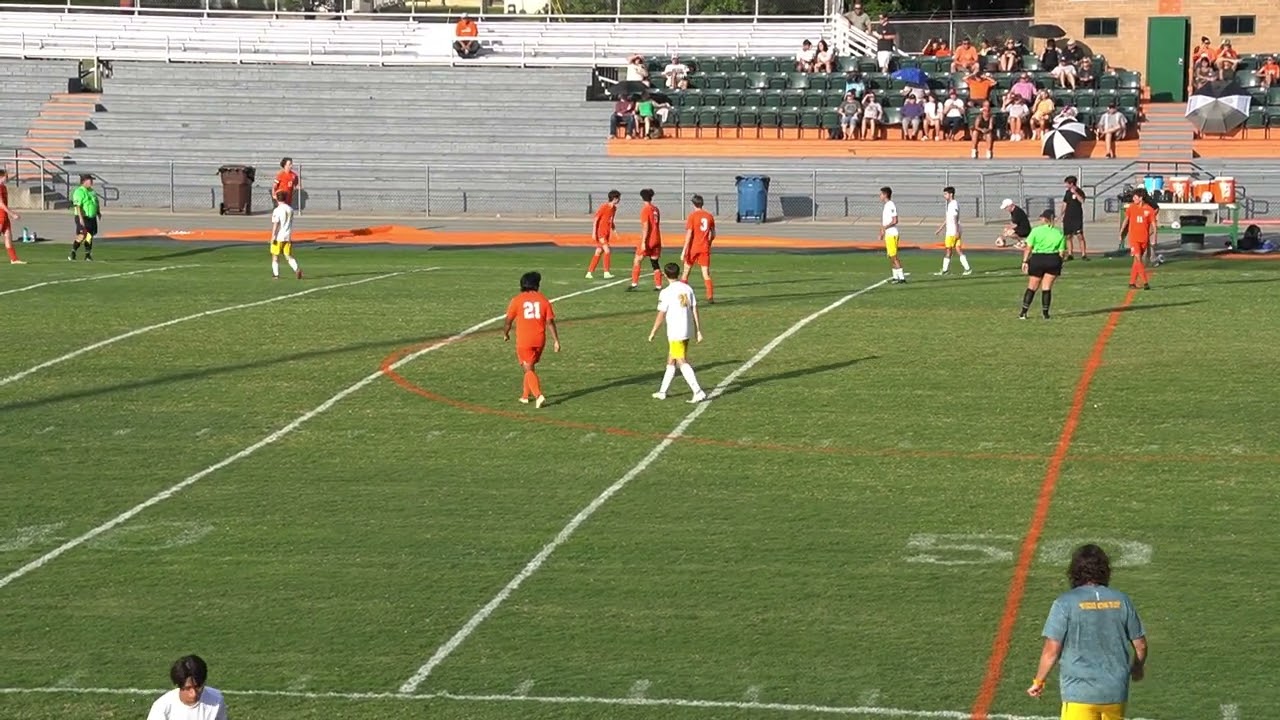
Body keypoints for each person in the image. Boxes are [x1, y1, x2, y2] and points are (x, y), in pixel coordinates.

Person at [1027, 544, 1148, 720]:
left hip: (1079, 692)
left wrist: (1039, 681)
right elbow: (1141, 645)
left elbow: (1051, 651)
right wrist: (1137, 668)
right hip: (1115, 691)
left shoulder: (1065, 603)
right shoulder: (1122, 600)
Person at [648, 262, 705, 403]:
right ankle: (663, 391)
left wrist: (653, 331)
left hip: (675, 330)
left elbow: (661, 314)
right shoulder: (687, 288)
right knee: (671, 359)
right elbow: (694, 309)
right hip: (687, 328)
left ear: (665, 275)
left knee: (680, 360)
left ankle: (697, 391)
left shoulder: (666, 292)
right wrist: (698, 330)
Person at [503, 271, 561, 408]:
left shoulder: (517, 300)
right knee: (529, 366)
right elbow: (550, 322)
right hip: (540, 340)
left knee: (528, 368)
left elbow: (508, 321)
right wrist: (556, 340)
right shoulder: (544, 300)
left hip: (525, 340)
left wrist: (506, 333)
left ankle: (538, 395)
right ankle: (525, 396)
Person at [147, 654, 228, 720]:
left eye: (198, 687)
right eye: (188, 688)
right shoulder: (162, 707)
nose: (194, 694)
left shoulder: (216, 700)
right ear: (178, 685)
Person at [1018, 210, 1065, 320]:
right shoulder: (1059, 233)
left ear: (1044, 219)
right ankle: (1045, 314)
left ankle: (1023, 313)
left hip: (1038, 259)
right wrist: (1060, 262)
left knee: (1032, 286)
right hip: (1053, 259)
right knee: (1047, 287)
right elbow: (1061, 252)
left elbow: (1028, 248)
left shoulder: (1036, 231)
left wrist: (1024, 261)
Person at [680, 194, 716, 302]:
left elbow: (689, 234)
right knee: (706, 274)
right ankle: (710, 296)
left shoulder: (692, 216)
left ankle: (682, 296)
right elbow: (713, 233)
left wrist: (684, 250)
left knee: (686, 272)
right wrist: (708, 243)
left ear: (693, 204)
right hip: (704, 248)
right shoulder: (709, 216)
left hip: (693, 248)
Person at [1119, 188, 1155, 290]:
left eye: (1135, 197)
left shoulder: (1149, 209)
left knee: (1136, 261)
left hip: (1144, 238)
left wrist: (1153, 236)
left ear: (1141, 198)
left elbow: (1154, 225)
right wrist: (1121, 232)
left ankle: (1132, 282)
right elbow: (1126, 220)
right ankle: (1145, 282)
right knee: (1138, 259)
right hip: (1134, 238)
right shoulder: (1131, 207)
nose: (1133, 199)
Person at [629, 188, 664, 292]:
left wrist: (644, 242)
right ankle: (658, 285)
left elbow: (646, 226)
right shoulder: (655, 209)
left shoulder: (645, 210)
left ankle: (634, 284)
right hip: (657, 238)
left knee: (637, 260)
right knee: (654, 262)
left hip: (649, 239)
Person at [933, 186, 971, 276]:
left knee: (948, 250)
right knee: (958, 249)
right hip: (954, 230)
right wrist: (940, 229)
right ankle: (967, 268)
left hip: (952, 231)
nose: (944, 196)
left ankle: (945, 270)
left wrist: (956, 231)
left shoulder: (953, 204)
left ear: (951, 194)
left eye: (945, 194)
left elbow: (955, 218)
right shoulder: (951, 204)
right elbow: (948, 219)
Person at [586, 189, 619, 279]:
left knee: (598, 251)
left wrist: (614, 230)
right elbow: (596, 219)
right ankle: (606, 272)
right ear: (614, 198)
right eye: (618, 198)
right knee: (607, 250)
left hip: (607, 233)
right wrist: (594, 232)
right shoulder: (604, 207)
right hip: (601, 233)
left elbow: (611, 220)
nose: (619, 200)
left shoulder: (614, 208)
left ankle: (589, 272)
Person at [269, 191, 301, 280]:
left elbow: (276, 224)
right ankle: (296, 269)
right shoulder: (290, 209)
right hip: (287, 236)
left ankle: (276, 274)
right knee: (288, 255)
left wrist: (273, 236)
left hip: (279, 236)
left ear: (277, 198)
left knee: (275, 256)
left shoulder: (277, 210)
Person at [880, 186, 906, 284]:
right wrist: (883, 231)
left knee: (894, 256)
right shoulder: (886, 205)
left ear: (885, 194)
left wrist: (885, 228)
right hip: (888, 234)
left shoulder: (891, 205)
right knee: (891, 256)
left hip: (892, 234)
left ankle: (901, 278)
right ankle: (895, 277)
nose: (880, 196)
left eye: (881, 194)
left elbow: (895, 220)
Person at [69, 174, 99, 261]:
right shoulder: (79, 191)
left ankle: (87, 255)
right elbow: (78, 206)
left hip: (91, 217)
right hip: (83, 217)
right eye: (90, 180)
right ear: (84, 181)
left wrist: (98, 212)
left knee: (89, 236)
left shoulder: (92, 191)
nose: (92, 182)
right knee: (82, 235)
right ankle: (73, 252)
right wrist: (81, 218)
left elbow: (95, 202)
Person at [0, 168, 25, 265]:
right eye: (6, 176)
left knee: (8, 237)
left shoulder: (3, 187)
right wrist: (12, 214)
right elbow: (1, 204)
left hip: (4, 215)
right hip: (0, 215)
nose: (7, 178)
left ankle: (14, 259)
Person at [1061, 175, 1089, 261]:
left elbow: (1082, 201)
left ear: (1071, 184)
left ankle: (1083, 254)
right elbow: (1065, 204)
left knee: (1080, 236)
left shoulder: (1079, 191)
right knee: (1068, 236)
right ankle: (1070, 254)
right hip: (1068, 217)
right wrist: (1061, 214)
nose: (1065, 185)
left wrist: (1075, 193)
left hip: (1077, 217)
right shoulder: (1067, 193)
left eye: (1067, 183)